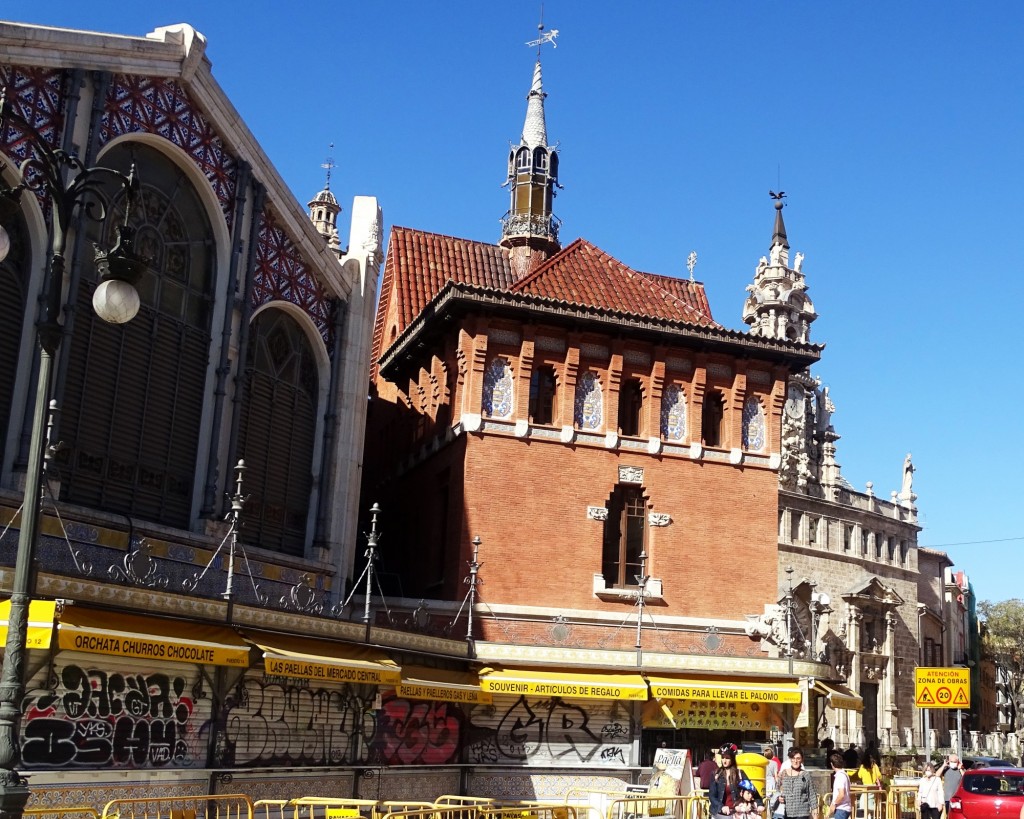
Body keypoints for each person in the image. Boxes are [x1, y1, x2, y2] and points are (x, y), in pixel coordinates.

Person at [778, 747, 818, 819]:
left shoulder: (805, 775)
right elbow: (778, 788)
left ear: (802, 760)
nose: (795, 761)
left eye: (798, 758)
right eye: (793, 758)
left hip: (802, 812)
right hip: (787, 812)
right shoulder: (784, 773)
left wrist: (815, 810)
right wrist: (779, 797)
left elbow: (812, 793)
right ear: (790, 759)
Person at [710, 748, 744, 817]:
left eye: (727, 758)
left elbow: (752, 790)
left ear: (732, 759)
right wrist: (721, 807)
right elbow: (712, 796)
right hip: (720, 813)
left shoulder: (740, 773)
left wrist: (759, 804)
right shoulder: (716, 774)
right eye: (723, 758)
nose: (724, 761)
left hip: (736, 813)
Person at [827, 752, 853, 819]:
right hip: (845, 808)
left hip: (841, 808)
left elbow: (841, 794)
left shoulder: (840, 776)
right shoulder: (844, 774)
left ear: (832, 764)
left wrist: (834, 804)